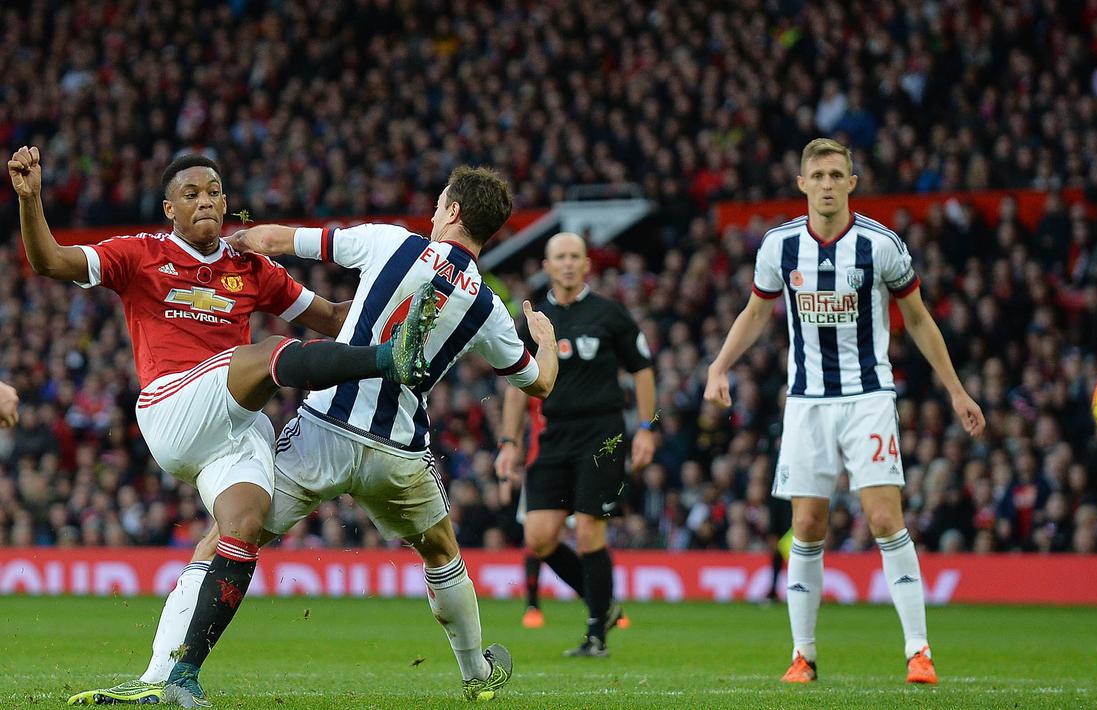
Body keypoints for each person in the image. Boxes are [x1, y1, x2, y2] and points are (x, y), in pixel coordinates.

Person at [66, 166, 556, 705]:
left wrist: (231, 242)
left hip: (322, 429)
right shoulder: (487, 306)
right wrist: (546, 340)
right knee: (441, 551)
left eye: (441, 202)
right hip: (399, 450)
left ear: (453, 212)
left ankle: (163, 676)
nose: (436, 209)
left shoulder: (391, 242)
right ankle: (477, 675)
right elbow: (539, 383)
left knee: (231, 537)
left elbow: (276, 239)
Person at [9, 146, 431, 708]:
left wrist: (404, 306)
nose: (205, 201)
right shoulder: (139, 253)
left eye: (213, 192)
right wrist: (31, 201)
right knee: (264, 356)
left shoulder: (250, 267)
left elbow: (331, 317)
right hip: (173, 407)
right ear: (170, 210)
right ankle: (388, 362)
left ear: (227, 203)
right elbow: (49, 262)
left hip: (235, 428)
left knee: (241, 528)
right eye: (192, 194)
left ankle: (170, 676)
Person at [703, 138, 985, 685]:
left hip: (868, 397)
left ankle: (918, 652)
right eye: (819, 175)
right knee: (806, 525)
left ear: (852, 183)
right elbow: (755, 314)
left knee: (885, 519)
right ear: (802, 183)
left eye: (837, 174)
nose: (828, 183)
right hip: (806, 402)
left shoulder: (880, 245)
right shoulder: (779, 247)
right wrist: (719, 367)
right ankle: (802, 655)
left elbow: (920, 320)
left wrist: (956, 389)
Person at [495, 232, 657, 658]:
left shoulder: (610, 314)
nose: (567, 264)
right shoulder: (535, 319)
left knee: (589, 532)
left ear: (587, 265)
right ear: (547, 267)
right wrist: (510, 442)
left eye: (575, 257)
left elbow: (642, 370)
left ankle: (595, 635)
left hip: (603, 434)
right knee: (539, 536)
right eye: (559, 257)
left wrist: (646, 427)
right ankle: (603, 604)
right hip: (553, 435)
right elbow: (517, 385)